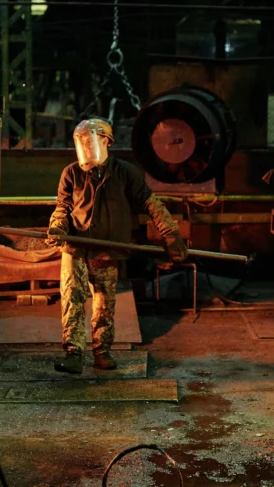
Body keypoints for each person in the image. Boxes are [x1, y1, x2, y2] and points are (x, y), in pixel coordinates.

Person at [47, 118, 188, 374]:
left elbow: (150, 203)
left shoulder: (125, 172)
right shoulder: (72, 173)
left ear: (106, 141)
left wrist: (170, 234)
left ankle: (102, 351)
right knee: (73, 300)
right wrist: (57, 227)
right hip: (76, 248)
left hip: (106, 250)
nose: (86, 146)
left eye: (90, 141)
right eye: (82, 142)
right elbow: (63, 207)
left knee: (103, 303)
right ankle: (74, 354)